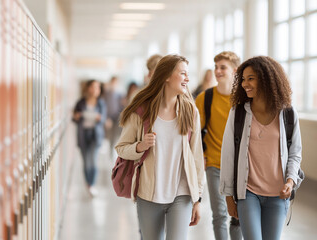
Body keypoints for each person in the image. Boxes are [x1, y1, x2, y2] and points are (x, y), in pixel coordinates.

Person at [115, 54, 205, 240]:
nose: (187, 78)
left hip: (182, 194)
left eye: (187, 74)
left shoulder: (190, 111)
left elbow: (196, 157)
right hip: (149, 194)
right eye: (182, 73)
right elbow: (122, 148)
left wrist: (197, 199)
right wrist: (140, 146)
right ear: (166, 76)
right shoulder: (141, 111)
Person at [220, 56, 303, 240]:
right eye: (243, 79)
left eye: (251, 78)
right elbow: (228, 155)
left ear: (266, 79)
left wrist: (290, 182)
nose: (244, 84)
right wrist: (228, 197)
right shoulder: (238, 112)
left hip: (278, 194)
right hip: (248, 192)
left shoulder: (288, 113)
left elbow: (295, 153)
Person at [195, 51, 242, 240]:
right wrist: (201, 157)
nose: (218, 71)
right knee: (220, 214)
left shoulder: (242, 99)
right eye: (216, 67)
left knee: (237, 216)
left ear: (235, 70)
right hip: (214, 163)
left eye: (223, 67)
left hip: (240, 165)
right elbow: (195, 134)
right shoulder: (204, 98)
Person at [73, 79, 107, 197]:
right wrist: (76, 116)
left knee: (92, 160)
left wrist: (99, 118)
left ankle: (91, 184)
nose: (95, 90)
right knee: (85, 161)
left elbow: (103, 119)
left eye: (97, 87)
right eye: (93, 87)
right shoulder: (81, 102)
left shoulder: (101, 103)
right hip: (83, 134)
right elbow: (74, 118)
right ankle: (88, 184)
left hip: (95, 135)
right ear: (88, 88)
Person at [103, 76, 124, 160]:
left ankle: (113, 153)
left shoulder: (120, 94)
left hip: (116, 118)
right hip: (108, 118)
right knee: (108, 136)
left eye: (115, 82)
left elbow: (121, 107)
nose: (114, 84)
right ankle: (109, 152)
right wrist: (107, 118)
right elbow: (104, 106)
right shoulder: (106, 94)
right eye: (113, 82)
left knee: (115, 136)